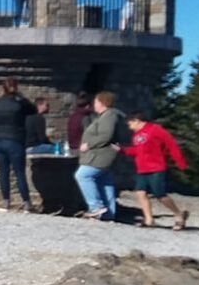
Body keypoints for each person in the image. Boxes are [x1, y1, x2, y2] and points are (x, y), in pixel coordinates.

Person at [116, 112, 188, 229]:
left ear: (137, 120)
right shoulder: (136, 136)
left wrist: (180, 162)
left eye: (130, 124)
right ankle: (149, 219)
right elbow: (137, 151)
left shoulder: (155, 129)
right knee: (140, 192)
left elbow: (171, 144)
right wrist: (122, 149)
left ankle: (178, 215)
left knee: (160, 195)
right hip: (142, 168)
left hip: (156, 167)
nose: (129, 127)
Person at [0, 77, 36, 212]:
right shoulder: (20, 104)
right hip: (14, 141)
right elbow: (34, 110)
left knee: (3, 172)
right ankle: (26, 203)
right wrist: (22, 97)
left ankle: (6, 203)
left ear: (3, 88)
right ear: (16, 88)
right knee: (19, 173)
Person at [74, 91, 122, 220]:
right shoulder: (105, 116)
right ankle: (108, 214)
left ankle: (95, 207)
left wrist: (88, 144)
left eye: (96, 102)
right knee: (105, 182)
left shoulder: (109, 116)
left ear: (102, 102)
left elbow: (105, 135)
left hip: (100, 156)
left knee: (83, 175)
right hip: (103, 155)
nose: (94, 104)